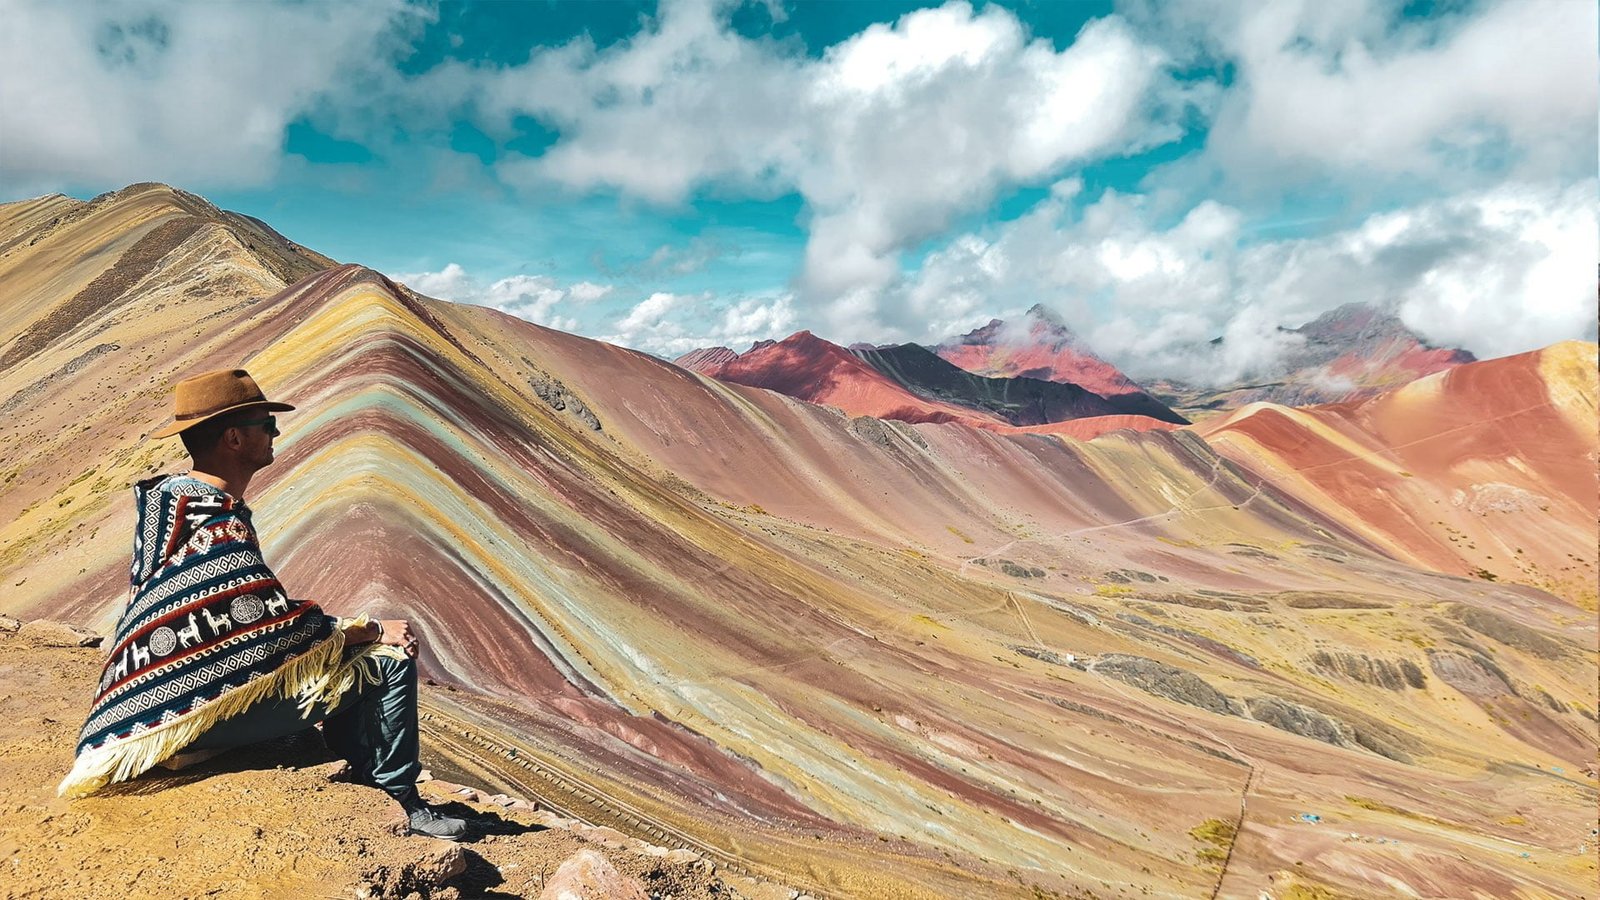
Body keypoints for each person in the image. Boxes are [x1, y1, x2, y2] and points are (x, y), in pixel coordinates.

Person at [58, 369, 467, 841]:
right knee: (389, 661)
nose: (275, 434)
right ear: (234, 437)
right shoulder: (219, 525)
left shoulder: (171, 505)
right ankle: (399, 800)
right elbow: (267, 626)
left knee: (330, 643)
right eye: (266, 425)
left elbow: (233, 613)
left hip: (144, 706)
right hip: (189, 713)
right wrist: (372, 630)